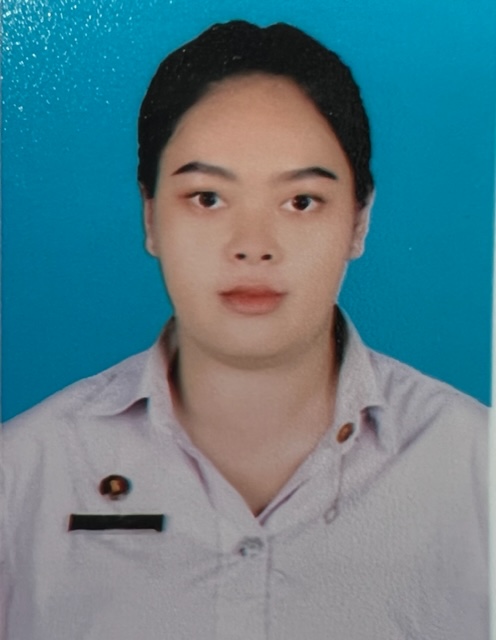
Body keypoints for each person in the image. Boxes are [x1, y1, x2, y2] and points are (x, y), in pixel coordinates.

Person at [1, 20, 488, 640]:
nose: (253, 246)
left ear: (359, 221)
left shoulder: (475, 467)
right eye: (207, 198)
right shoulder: (25, 474)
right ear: (150, 216)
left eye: (301, 201)